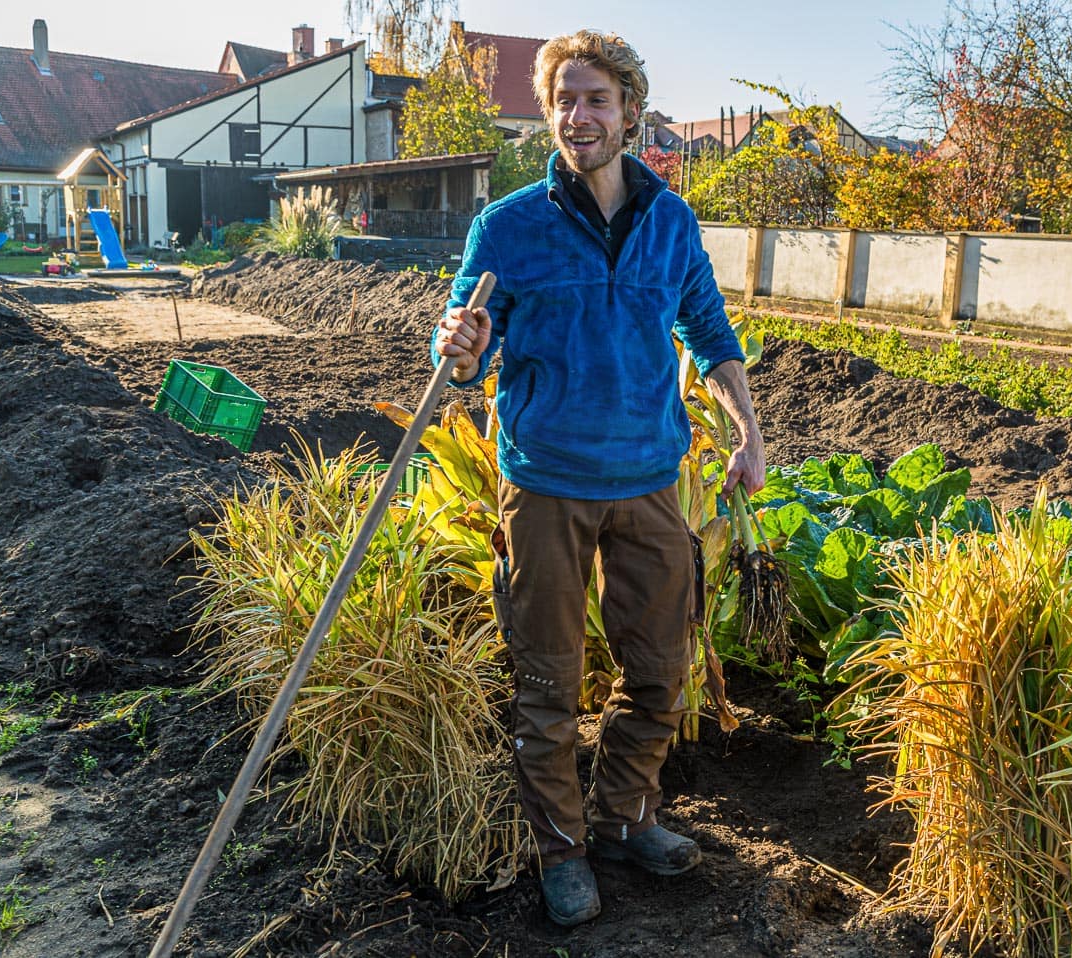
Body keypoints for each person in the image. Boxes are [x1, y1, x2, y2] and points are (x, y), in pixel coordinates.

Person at [432, 28, 765, 926]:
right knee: (547, 684)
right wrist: (461, 349)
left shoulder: (671, 221)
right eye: (564, 100)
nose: (578, 116)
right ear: (549, 113)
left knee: (659, 669)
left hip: (651, 477)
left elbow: (709, 331)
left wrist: (747, 431)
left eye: (596, 99)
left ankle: (624, 818)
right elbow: (463, 338)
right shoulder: (507, 225)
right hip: (545, 483)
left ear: (630, 110)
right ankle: (563, 849)